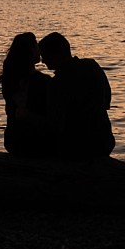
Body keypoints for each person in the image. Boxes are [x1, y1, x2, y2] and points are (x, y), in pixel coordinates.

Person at [38, 32, 115, 160]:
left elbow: (55, 124)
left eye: (44, 56)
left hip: (76, 148)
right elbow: (107, 101)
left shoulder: (57, 83)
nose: (43, 61)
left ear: (56, 55)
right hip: (104, 141)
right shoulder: (93, 66)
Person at [0, 32, 54, 157]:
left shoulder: (9, 79)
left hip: (13, 139)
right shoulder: (44, 81)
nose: (39, 50)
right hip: (36, 140)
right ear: (31, 51)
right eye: (36, 46)